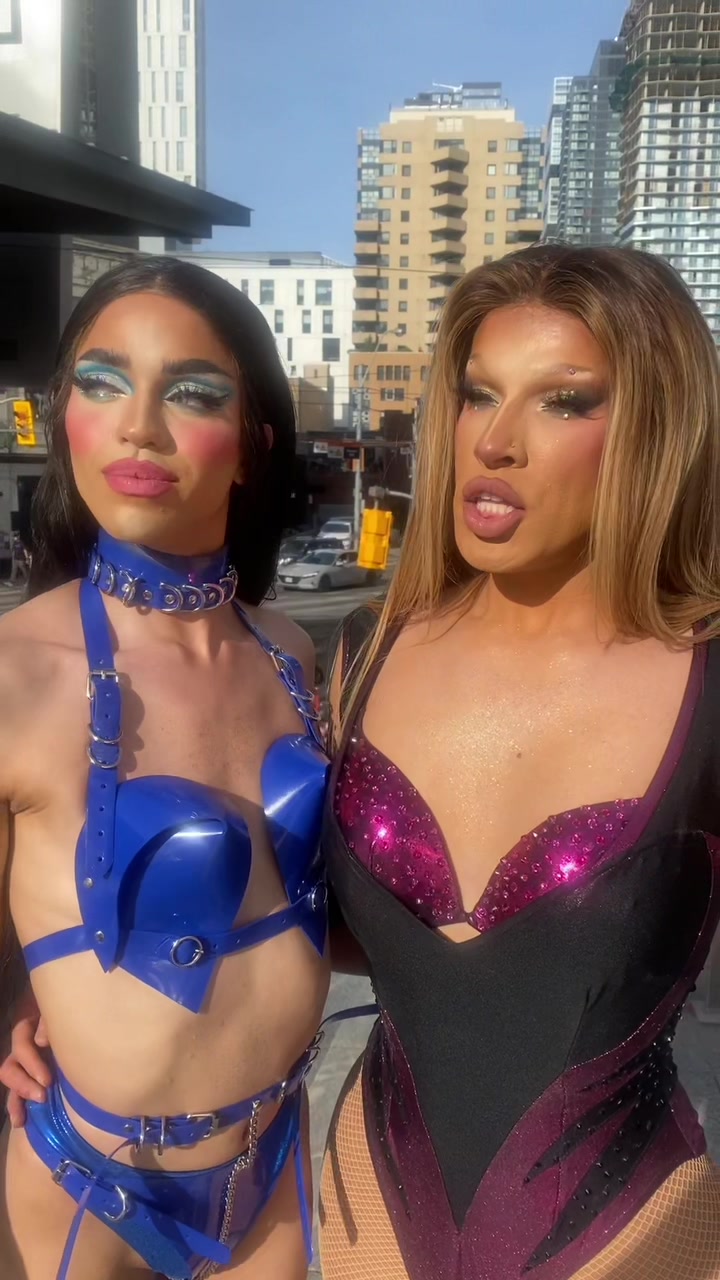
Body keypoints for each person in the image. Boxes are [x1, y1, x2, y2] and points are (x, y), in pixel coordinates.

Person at [318, 245, 720, 1279]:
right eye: (478, 393)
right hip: (369, 1221)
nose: (495, 441)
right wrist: (60, 1006)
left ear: (657, 429)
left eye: (563, 401)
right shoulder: (366, 651)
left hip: (630, 1239)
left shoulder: (706, 678)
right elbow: (310, 935)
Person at [0, 255, 330, 1280]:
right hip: (87, 1188)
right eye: (103, 383)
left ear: (254, 446)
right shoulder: (14, 672)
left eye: (191, 393)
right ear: (64, 417)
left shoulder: (293, 653)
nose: (139, 426)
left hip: (272, 1165)